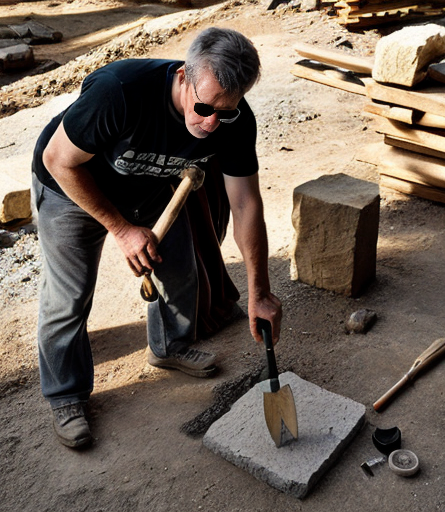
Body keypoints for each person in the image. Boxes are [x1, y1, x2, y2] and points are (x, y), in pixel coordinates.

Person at [31, 27, 282, 449]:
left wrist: (260, 291)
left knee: (181, 269)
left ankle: (169, 346)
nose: (211, 122)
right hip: (71, 186)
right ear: (183, 76)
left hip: (145, 185)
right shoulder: (122, 91)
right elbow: (58, 160)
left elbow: (246, 205)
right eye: (204, 107)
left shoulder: (234, 123)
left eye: (227, 110)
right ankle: (66, 395)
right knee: (69, 296)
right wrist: (122, 230)